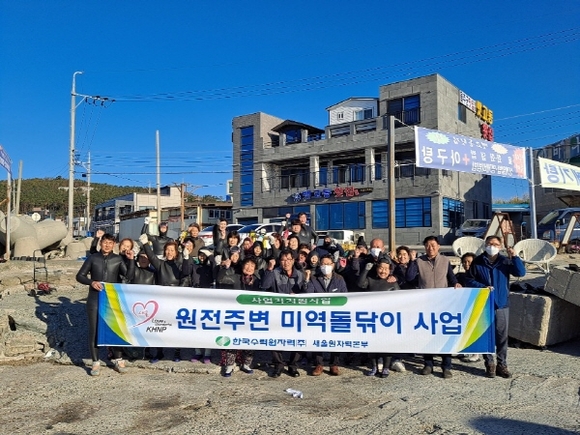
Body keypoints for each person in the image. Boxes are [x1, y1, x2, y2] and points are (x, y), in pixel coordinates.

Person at [464, 236, 526, 378]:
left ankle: (502, 364)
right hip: (483, 303)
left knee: (502, 336)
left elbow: (520, 273)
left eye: (496, 244)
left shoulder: (505, 261)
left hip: (501, 303)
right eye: (489, 243)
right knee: (485, 334)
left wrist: (515, 257)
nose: (492, 246)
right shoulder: (478, 262)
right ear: (485, 245)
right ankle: (489, 363)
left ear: (500, 246)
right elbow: (469, 280)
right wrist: (483, 287)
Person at [76, 233, 135, 376]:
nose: (107, 245)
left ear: (114, 245)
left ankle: (118, 359)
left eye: (110, 243)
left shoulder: (117, 259)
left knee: (115, 329)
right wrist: (92, 282)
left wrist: (131, 260)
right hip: (94, 298)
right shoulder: (93, 258)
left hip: (111, 299)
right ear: (100, 243)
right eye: (105, 242)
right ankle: (95, 362)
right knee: (94, 331)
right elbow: (80, 276)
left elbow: (128, 277)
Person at [406, 236, 461, 379]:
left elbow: (451, 277)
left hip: (443, 303)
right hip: (426, 303)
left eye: (433, 245)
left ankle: (446, 366)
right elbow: (410, 278)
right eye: (427, 245)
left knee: (444, 334)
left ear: (438, 246)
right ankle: (428, 364)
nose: (430, 248)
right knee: (427, 334)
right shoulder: (419, 261)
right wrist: (412, 261)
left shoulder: (445, 260)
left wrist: (456, 283)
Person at [140, 234, 190, 363]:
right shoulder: (161, 264)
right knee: (160, 326)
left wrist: (186, 258)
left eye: (172, 250)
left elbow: (186, 273)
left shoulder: (179, 265)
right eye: (167, 250)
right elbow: (151, 257)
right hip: (161, 300)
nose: (169, 252)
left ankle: (177, 352)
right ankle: (159, 352)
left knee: (176, 327)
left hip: (176, 300)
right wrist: (145, 244)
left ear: (176, 252)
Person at [261, 249, 306, 377]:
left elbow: (306, 292)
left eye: (288, 259)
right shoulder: (275, 273)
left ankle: (293, 365)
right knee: (275, 339)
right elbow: (265, 285)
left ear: (293, 260)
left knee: (298, 338)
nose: (286, 262)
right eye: (283, 260)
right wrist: (269, 269)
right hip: (278, 312)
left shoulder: (300, 275)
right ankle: (279, 365)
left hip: (296, 313)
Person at [304, 254, 348, 376]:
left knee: (335, 338)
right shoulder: (314, 278)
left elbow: (345, 295)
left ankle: (334, 364)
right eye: (323, 264)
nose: (325, 266)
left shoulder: (339, 279)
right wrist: (307, 279)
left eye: (328, 264)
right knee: (318, 338)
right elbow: (308, 294)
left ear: (333, 265)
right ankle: (319, 364)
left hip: (335, 314)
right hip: (319, 314)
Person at [218, 257, 262, 377]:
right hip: (236, 314)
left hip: (251, 315)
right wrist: (225, 268)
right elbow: (221, 279)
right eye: (247, 265)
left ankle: (246, 364)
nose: (249, 268)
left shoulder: (258, 280)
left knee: (250, 339)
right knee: (233, 338)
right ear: (242, 266)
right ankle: (229, 365)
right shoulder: (235, 277)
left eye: (252, 266)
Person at [357, 258, 399, 377]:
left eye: (386, 269)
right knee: (372, 343)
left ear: (390, 270)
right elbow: (360, 284)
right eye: (381, 268)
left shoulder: (392, 282)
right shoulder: (371, 280)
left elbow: (400, 299)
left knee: (387, 344)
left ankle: (386, 367)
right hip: (372, 317)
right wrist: (366, 270)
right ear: (376, 269)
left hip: (387, 319)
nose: (383, 271)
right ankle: (374, 366)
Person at [454, 252, 481, 363]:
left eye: (469, 262)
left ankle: (476, 353)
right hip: (463, 306)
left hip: (476, 305)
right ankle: (464, 349)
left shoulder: (479, 277)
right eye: (464, 262)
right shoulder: (460, 276)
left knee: (475, 328)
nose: (466, 264)